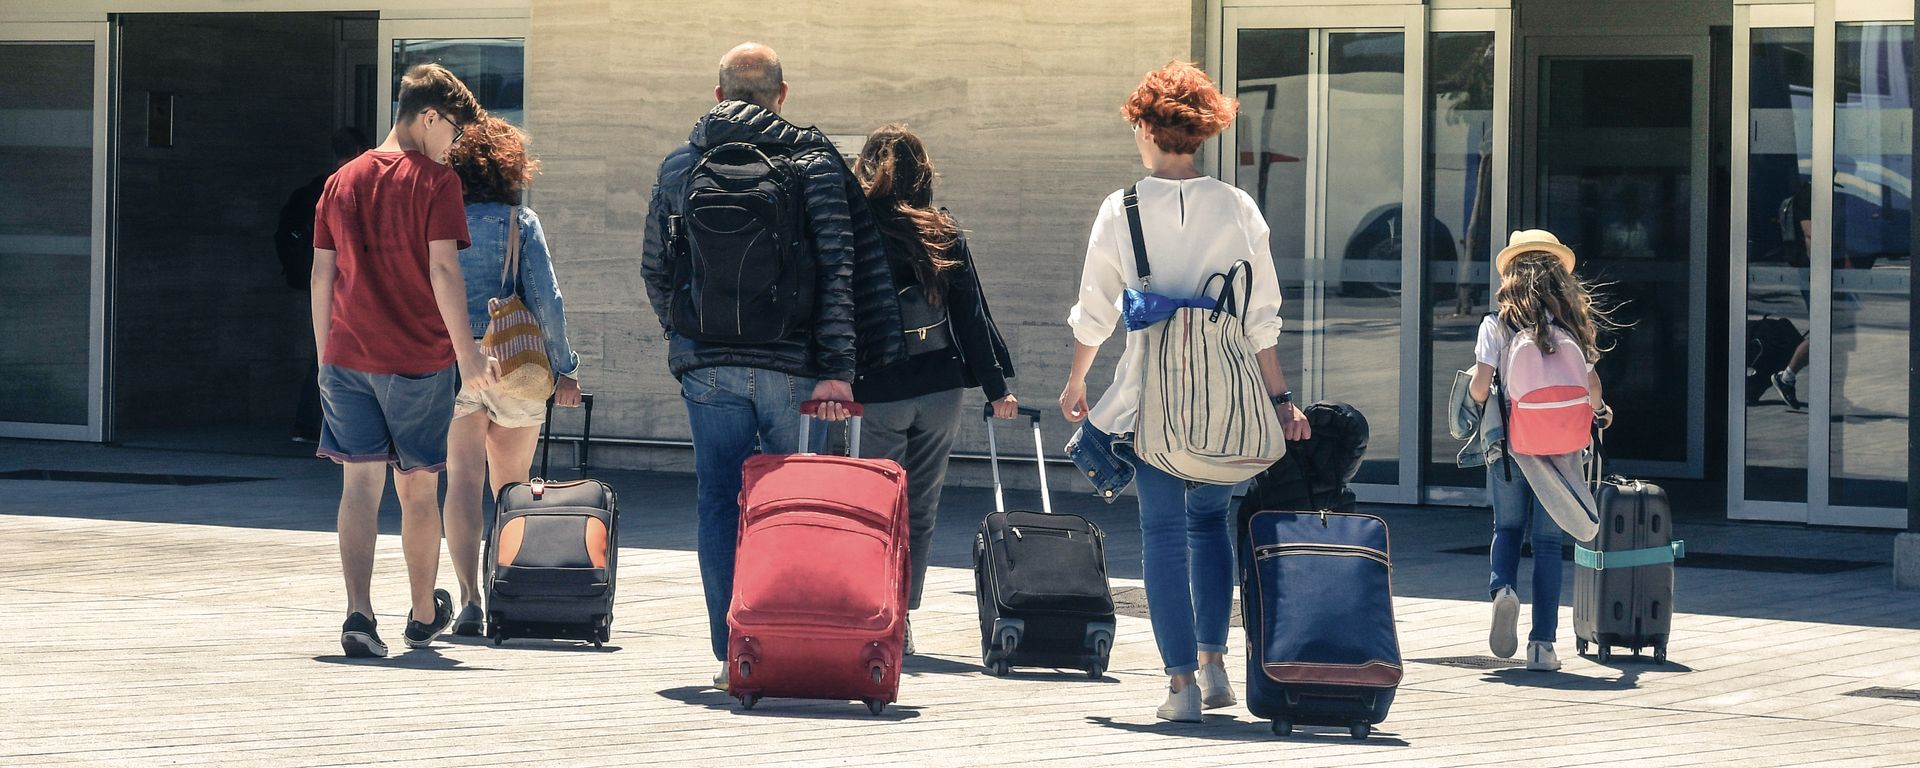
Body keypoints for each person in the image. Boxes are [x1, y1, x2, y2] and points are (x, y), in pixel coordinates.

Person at [639, 42, 906, 690]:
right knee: (796, 506)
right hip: (795, 369)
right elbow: (840, 271)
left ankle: (732, 647)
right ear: (780, 95)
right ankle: (792, 635)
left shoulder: (681, 164)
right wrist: (839, 367)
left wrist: (685, 335)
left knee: (716, 501)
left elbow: (654, 266)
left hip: (707, 367)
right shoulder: (812, 163)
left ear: (718, 93)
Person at [1059, 61, 1309, 723]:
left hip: (1152, 401)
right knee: (1210, 525)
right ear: (1201, 131)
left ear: (1145, 124)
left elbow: (1096, 310)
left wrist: (1079, 378)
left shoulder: (1123, 209)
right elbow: (1264, 315)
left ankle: (1181, 689)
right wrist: (1281, 402)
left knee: (1163, 533)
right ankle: (1214, 662)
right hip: (1227, 396)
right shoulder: (1237, 207)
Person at [311, 63, 496, 658]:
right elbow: (443, 269)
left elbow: (323, 274)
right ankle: (421, 615)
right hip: (416, 357)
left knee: (358, 488)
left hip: (346, 357)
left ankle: (358, 617)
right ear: (429, 117)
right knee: (418, 489)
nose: (454, 148)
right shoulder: (436, 183)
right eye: (453, 134)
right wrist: (468, 357)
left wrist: (324, 358)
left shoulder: (341, 181)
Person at [849, 124, 1018, 655]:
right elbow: (971, 317)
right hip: (942, 388)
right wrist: (996, 389)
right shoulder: (941, 229)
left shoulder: (856, 231)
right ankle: (903, 615)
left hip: (877, 390)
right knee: (919, 507)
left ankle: (872, 607)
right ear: (924, 172)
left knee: (874, 506)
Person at [440, 115, 584, 636]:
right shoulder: (519, 222)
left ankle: (469, 600)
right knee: (511, 488)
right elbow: (548, 301)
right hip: (516, 364)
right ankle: (508, 588)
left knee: (461, 481)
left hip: (455, 362)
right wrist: (566, 368)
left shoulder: (439, 220)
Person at [1463, 229, 1613, 672]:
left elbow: (1478, 386)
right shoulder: (1573, 321)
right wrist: (1601, 411)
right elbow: (1591, 387)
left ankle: (1503, 589)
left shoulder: (1496, 322)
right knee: (1548, 546)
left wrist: (1480, 397)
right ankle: (1542, 646)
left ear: (1511, 274)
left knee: (1507, 530)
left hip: (1512, 448)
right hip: (1563, 450)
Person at [277, 127, 371, 443]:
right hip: (347, 282)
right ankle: (334, 429)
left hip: (318, 282)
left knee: (326, 353)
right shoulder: (351, 188)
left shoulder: (318, 188)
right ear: (360, 149)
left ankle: (311, 425)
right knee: (340, 354)